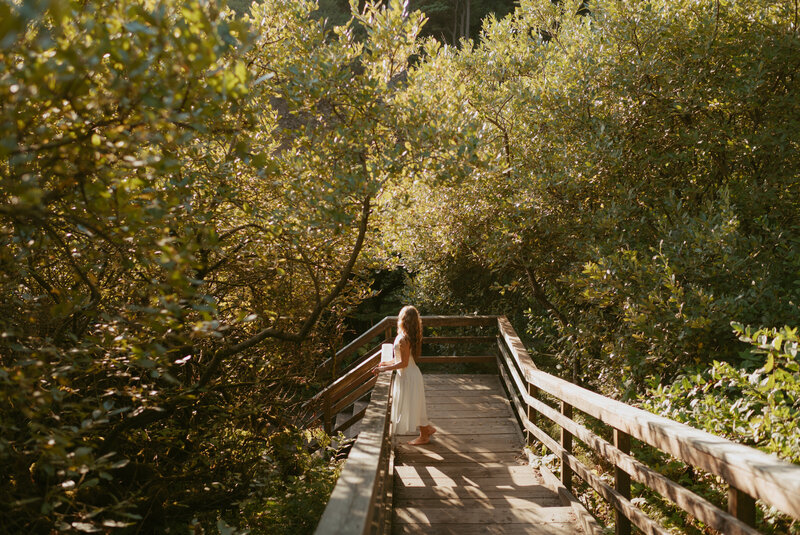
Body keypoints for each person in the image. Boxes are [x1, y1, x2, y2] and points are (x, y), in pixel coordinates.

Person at [373, 305, 436, 445]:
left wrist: (384, 370)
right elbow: (399, 359)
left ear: (403, 319)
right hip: (410, 375)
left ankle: (424, 436)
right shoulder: (405, 336)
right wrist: (385, 363)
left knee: (414, 405)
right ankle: (427, 429)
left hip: (409, 376)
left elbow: (404, 363)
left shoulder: (403, 339)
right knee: (415, 404)